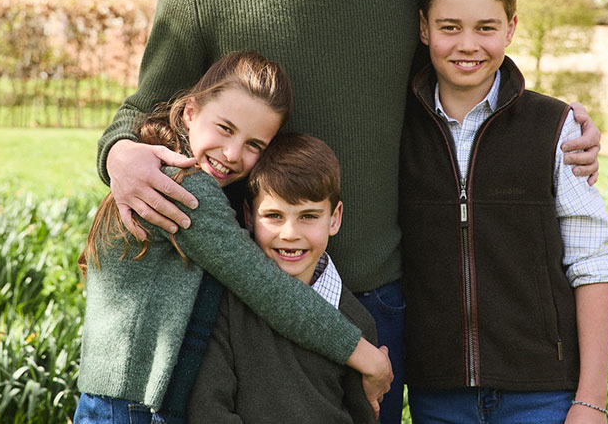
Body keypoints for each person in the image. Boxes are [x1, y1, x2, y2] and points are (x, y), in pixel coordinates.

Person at [96, 0, 602, 424]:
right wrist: (117, 154)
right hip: (244, 295)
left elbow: (471, 70)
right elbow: (149, 108)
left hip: (376, 296)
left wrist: (566, 128)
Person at [74, 52, 391, 424]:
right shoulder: (184, 188)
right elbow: (266, 288)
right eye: (224, 128)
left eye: (254, 145)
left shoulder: (172, 173)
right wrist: (366, 356)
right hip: (131, 408)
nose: (232, 154)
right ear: (190, 111)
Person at [399, 0, 608, 424]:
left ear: (511, 28)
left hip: (543, 394)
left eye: (486, 27)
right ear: (423, 28)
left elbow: (592, 263)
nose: (467, 44)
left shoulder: (554, 128)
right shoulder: (397, 130)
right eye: (449, 27)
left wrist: (591, 400)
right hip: (438, 395)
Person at [188, 132, 378, 424]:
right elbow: (207, 409)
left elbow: (363, 417)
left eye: (308, 216)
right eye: (274, 216)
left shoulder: (357, 322)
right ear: (249, 217)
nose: (290, 234)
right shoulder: (226, 305)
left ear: (335, 218)